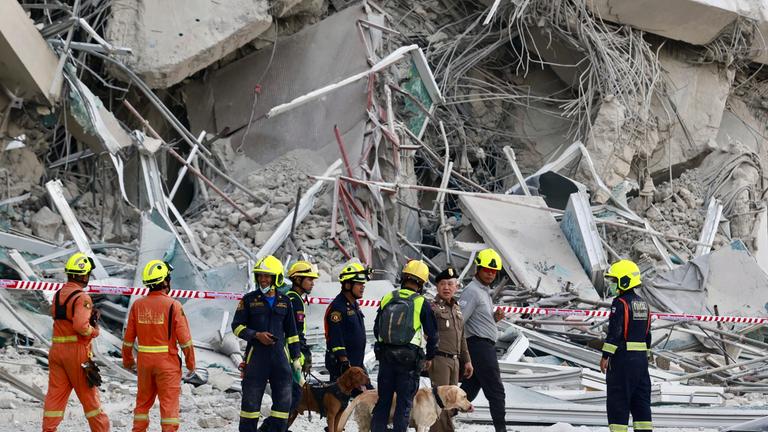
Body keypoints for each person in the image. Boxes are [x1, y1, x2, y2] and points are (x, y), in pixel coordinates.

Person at [123, 260, 196, 431]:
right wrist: (191, 363)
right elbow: (185, 340)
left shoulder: (138, 305)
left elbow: (128, 339)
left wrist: (128, 361)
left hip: (144, 363)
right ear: (164, 281)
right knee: (169, 406)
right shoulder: (173, 305)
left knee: (142, 404)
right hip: (167, 364)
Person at [232, 255, 303, 432]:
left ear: (276, 278)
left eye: (267, 276)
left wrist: (296, 358)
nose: (263, 280)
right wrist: (256, 335)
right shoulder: (248, 300)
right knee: (250, 409)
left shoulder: (285, 301)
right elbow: (236, 327)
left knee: (282, 409)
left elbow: (293, 333)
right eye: (260, 276)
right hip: (256, 360)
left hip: (280, 361)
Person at [42, 252, 110, 432]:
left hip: (57, 351)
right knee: (90, 399)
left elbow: (56, 315)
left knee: (55, 397)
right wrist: (94, 331)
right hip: (76, 353)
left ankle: (48, 429)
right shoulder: (82, 297)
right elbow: (81, 326)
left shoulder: (58, 294)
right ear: (83, 274)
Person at [371, 260, 438, 432]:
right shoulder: (421, 302)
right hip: (408, 360)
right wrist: (430, 357)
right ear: (421, 283)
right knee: (404, 404)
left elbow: (376, 328)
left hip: (386, 357)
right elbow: (433, 334)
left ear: (403, 278)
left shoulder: (388, 297)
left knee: (383, 401)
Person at [600, 260, 652, 432]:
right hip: (641, 363)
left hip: (623, 361)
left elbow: (615, 332)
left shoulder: (619, 303)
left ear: (624, 281)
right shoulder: (644, 304)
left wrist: (605, 356)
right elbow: (648, 334)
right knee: (641, 403)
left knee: (618, 402)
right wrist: (646, 357)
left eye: (614, 281)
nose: (612, 285)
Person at [459, 248, 507, 432]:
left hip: (481, 345)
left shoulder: (483, 291)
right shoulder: (472, 292)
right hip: (479, 347)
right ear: (478, 269)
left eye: (494, 271)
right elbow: (460, 320)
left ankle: (442, 420)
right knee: (496, 392)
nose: (490, 274)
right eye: (487, 269)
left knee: (467, 392)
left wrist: (494, 319)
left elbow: (476, 319)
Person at [429, 266, 473, 432]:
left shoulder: (457, 308)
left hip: (455, 361)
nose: (446, 287)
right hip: (439, 359)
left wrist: (467, 360)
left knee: (451, 402)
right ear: (437, 287)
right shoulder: (432, 308)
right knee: (440, 401)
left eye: (450, 284)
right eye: (442, 284)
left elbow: (461, 337)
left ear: (456, 286)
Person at [324, 261, 370, 382]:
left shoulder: (353, 305)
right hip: (344, 366)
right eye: (359, 284)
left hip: (356, 364)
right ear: (348, 285)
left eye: (363, 284)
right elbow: (336, 337)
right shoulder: (338, 308)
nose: (363, 287)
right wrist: (344, 362)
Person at [286, 260, 319, 415]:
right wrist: (304, 353)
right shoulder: (295, 300)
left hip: (289, 354)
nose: (312, 283)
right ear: (298, 280)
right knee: (293, 396)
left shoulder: (290, 298)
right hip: (291, 355)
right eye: (309, 279)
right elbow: (296, 332)